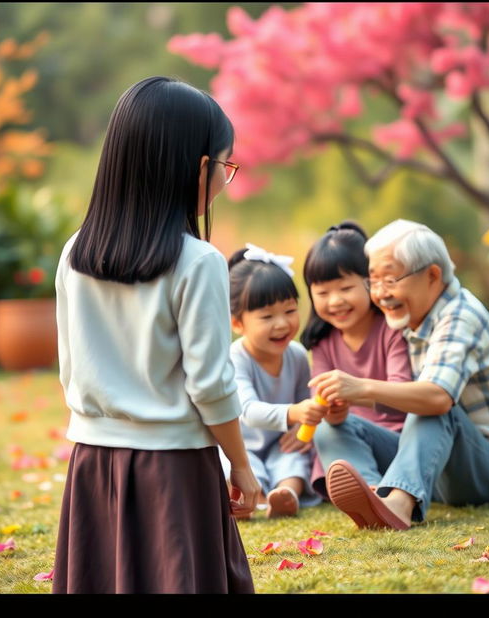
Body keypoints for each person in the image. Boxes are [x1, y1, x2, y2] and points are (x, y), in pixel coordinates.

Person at [52, 76, 261, 593]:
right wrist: (241, 464)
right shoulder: (198, 262)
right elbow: (210, 386)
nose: (223, 181)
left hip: (92, 466)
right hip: (174, 469)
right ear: (196, 167)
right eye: (224, 167)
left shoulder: (75, 253)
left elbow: (69, 367)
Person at [309, 219, 489, 530]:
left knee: (433, 401)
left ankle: (398, 504)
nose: (380, 294)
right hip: (438, 465)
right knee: (331, 428)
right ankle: (377, 496)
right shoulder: (412, 318)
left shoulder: (459, 316)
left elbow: (437, 399)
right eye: (373, 281)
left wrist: (361, 387)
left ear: (432, 275)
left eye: (390, 280)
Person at [299, 222, 411, 500]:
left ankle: (374, 492)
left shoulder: (391, 330)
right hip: (348, 445)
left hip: (396, 445)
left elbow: (402, 390)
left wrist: (355, 393)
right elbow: (320, 394)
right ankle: (368, 490)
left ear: (370, 283)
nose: (335, 301)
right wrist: (330, 409)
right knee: (329, 429)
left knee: (335, 432)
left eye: (345, 288)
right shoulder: (323, 342)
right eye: (323, 293)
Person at [219, 244, 325, 519]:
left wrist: (305, 424)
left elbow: (306, 400)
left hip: (281, 444)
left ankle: (285, 495)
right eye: (267, 316)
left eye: (290, 311)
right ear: (237, 323)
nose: (282, 324)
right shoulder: (235, 357)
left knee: (295, 459)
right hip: (241, 447)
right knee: (228, 463)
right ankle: (253, 498)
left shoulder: (298, 356)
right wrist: (294, 412)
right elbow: (248, 411)